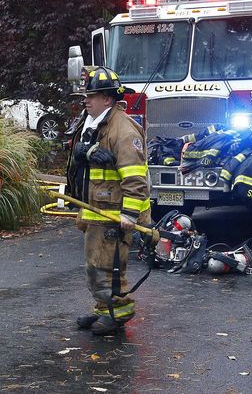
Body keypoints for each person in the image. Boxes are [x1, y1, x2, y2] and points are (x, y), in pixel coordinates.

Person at [66, 67, 151, 336]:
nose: (86, 100)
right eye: (86, 96)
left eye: (92, 95)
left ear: (108, 99)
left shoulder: (124, 130)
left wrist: (130, 214)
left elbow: (136, 178)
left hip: (115, 212)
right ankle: (104, 308)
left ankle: (118, 313)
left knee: (108, 265)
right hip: (96, 208)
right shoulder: (92, 122)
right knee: (95, 263)